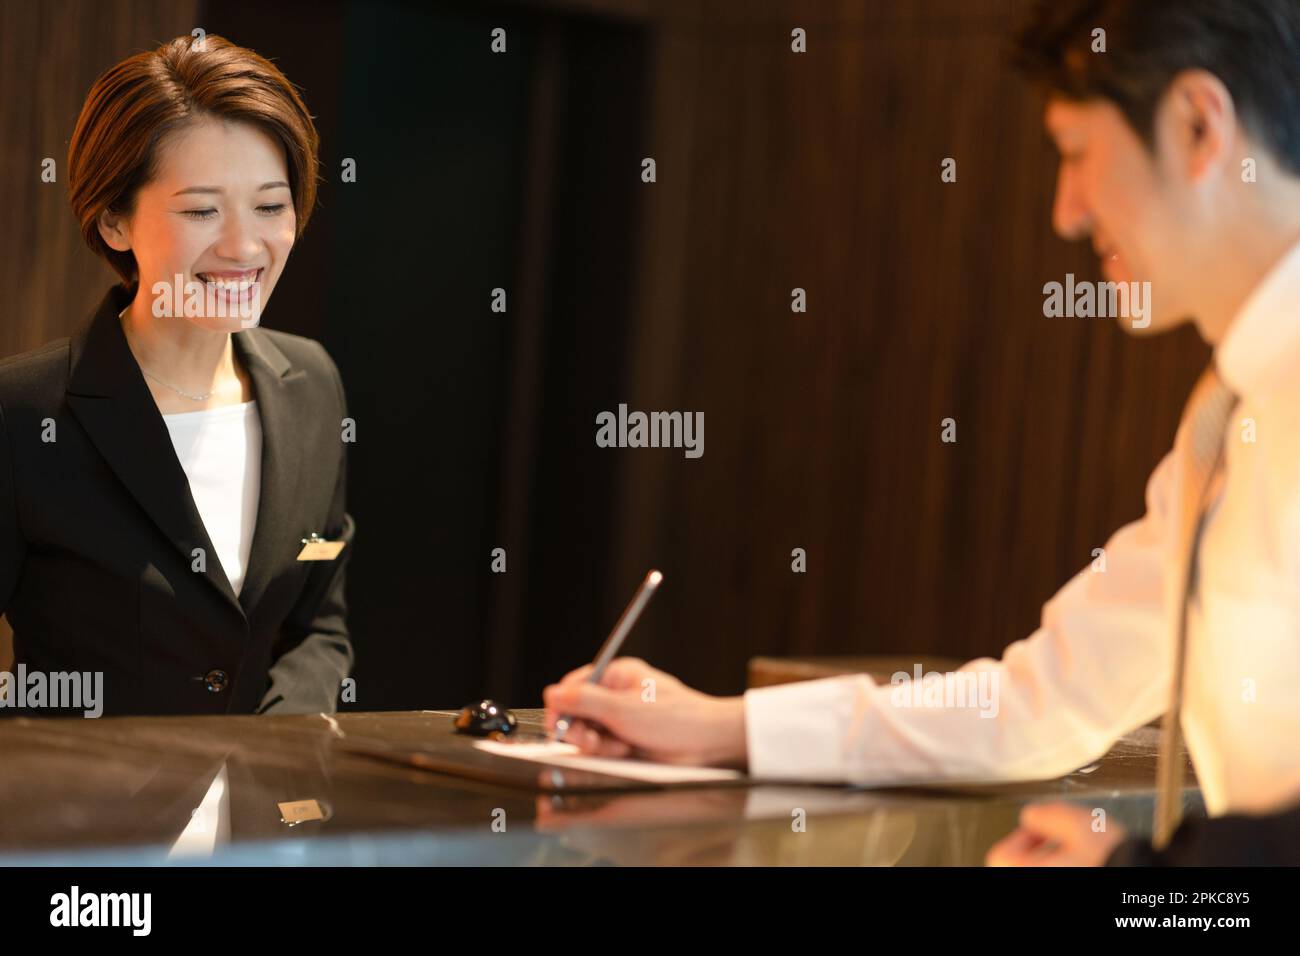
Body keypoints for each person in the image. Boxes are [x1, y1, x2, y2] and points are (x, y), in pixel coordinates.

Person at [544, 0, 1300, 866]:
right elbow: (1042, 698)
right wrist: (721, 728)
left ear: (1199, 126)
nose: (1066, 211)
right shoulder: (1225, 410)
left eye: (1078, 154)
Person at [0, 34, 353, 717]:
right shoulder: (23, 414)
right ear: (112, 220)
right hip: (83, 819)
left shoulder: (311, 384)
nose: (244, 246)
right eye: (201, 210)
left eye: (271, 206)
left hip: (264, 817)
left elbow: (319, 628)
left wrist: (278, 759)